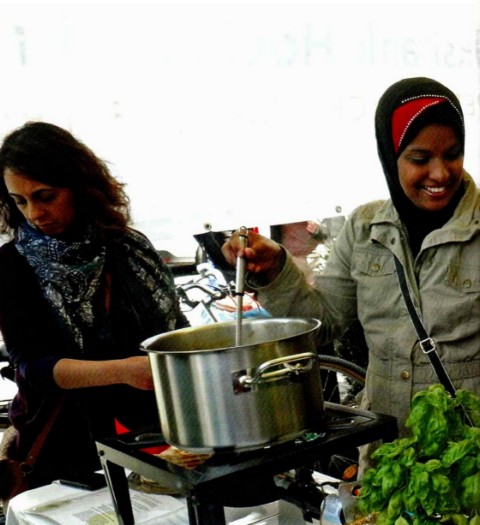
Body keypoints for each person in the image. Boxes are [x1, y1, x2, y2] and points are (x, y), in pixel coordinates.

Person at [222, 76, 480, 451]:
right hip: (387, 455)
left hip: (467, 459)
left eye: (453, 154)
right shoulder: (364, 228)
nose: (440, 174)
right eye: (420, 159)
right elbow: (322, 323)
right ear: (390, 157)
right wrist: (275, 269)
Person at [0, 121, 188, 492]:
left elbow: (174, 333)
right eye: (20, 201)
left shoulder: (128, 248)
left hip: (154, 438)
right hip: (64, 451)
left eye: (45, 196)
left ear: (80, 186)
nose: (34, 213)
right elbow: (34, 367)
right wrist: (124, 370)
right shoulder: (11, 265)